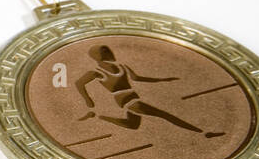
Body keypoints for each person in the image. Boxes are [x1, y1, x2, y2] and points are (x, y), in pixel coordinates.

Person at [74, 45, 224, 138]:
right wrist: (88, 99)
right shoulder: (96, 72)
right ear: (98, 56)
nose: (109, 53)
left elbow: (138, 78)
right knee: (165, 115)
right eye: (105, 51)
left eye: (108, 50)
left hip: (132, 96)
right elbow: (79, 83)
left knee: (132, 125)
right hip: (126, 100)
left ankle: (97, 116)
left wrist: (163, 80)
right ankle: (203, 133)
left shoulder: (122, 66)